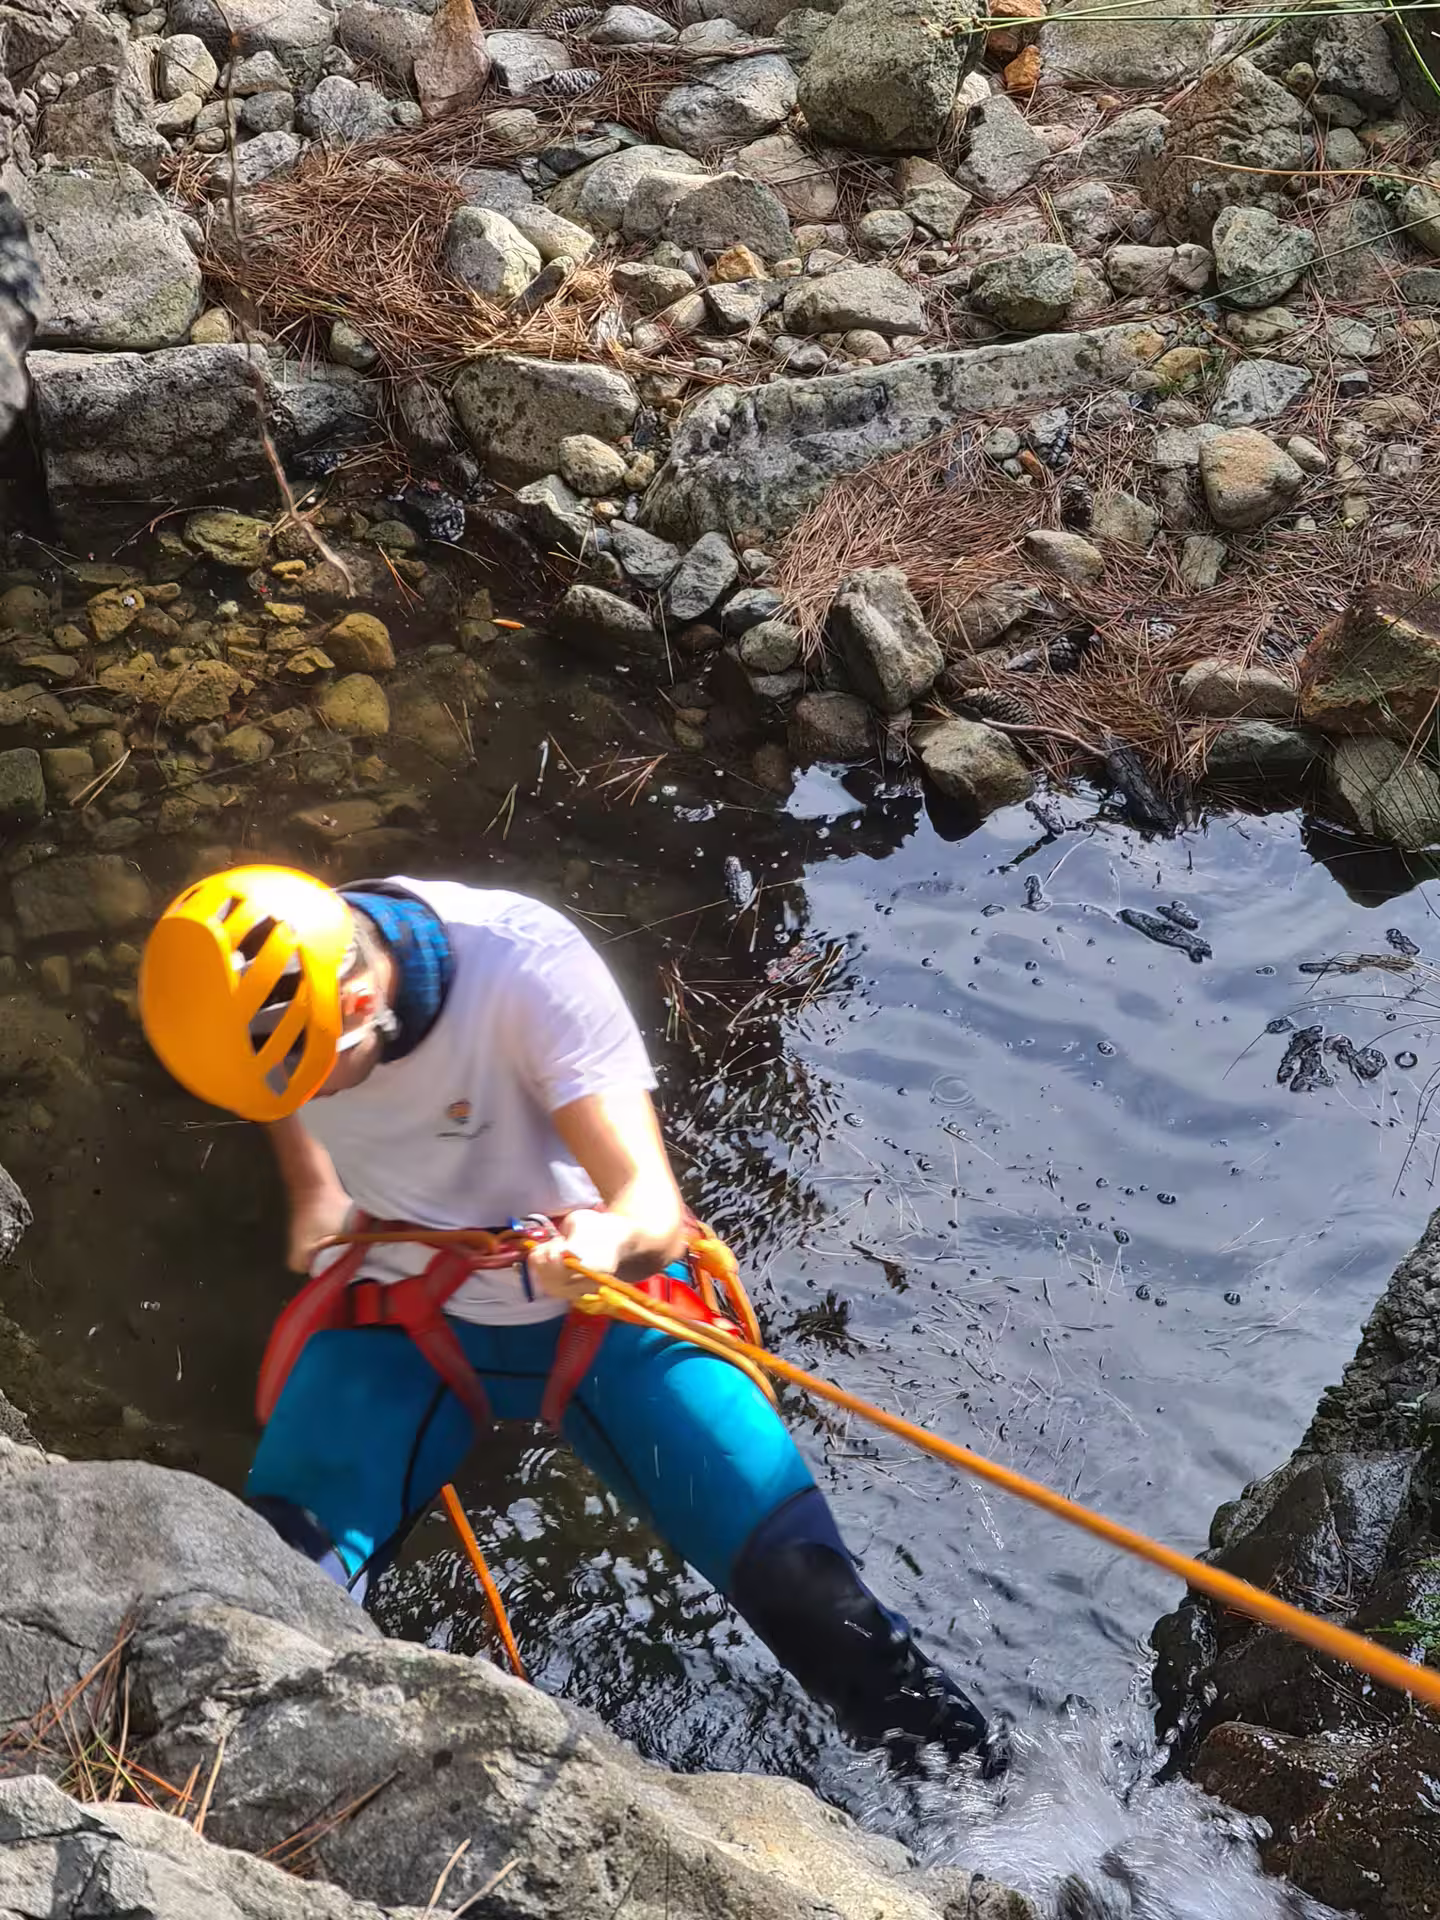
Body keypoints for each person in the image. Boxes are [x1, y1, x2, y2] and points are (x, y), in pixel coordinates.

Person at [139, 864, 997, 1771]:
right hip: (412, 1307)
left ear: (361, 1003)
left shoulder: (522, 965)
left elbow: (653, 1214)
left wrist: (603, 1236)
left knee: (807, 1593)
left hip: (600, 1310)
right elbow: (278, 1089)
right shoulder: (275, 987)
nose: (310, 1100)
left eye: (316, 1078)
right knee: (274, 1588)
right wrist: (314, 1188)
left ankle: (976, 1809)